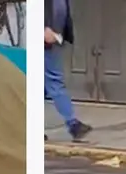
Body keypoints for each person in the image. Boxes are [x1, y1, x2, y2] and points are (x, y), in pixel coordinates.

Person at [44, 0, 92, 141]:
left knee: (44, 88)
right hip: (45, 44)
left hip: (54, 43)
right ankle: (73, 124)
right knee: (55, 81)